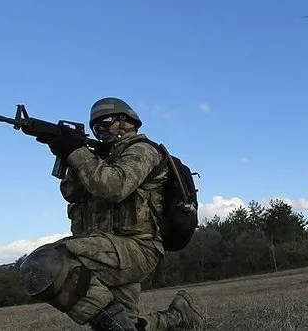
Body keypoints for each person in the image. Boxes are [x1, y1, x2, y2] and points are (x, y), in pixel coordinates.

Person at [16, 97, 206, 330]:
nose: (101, 129)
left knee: (45, 263)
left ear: (127, 120)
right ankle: (179, 317)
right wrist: (70, 153)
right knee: (126, 324)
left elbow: (114, 187)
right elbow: (72, 193)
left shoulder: (143, 150)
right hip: (109, 248)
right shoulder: (99, 160)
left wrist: (77, 152)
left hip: (136, 248)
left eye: (106, 121)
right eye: (96, 127)